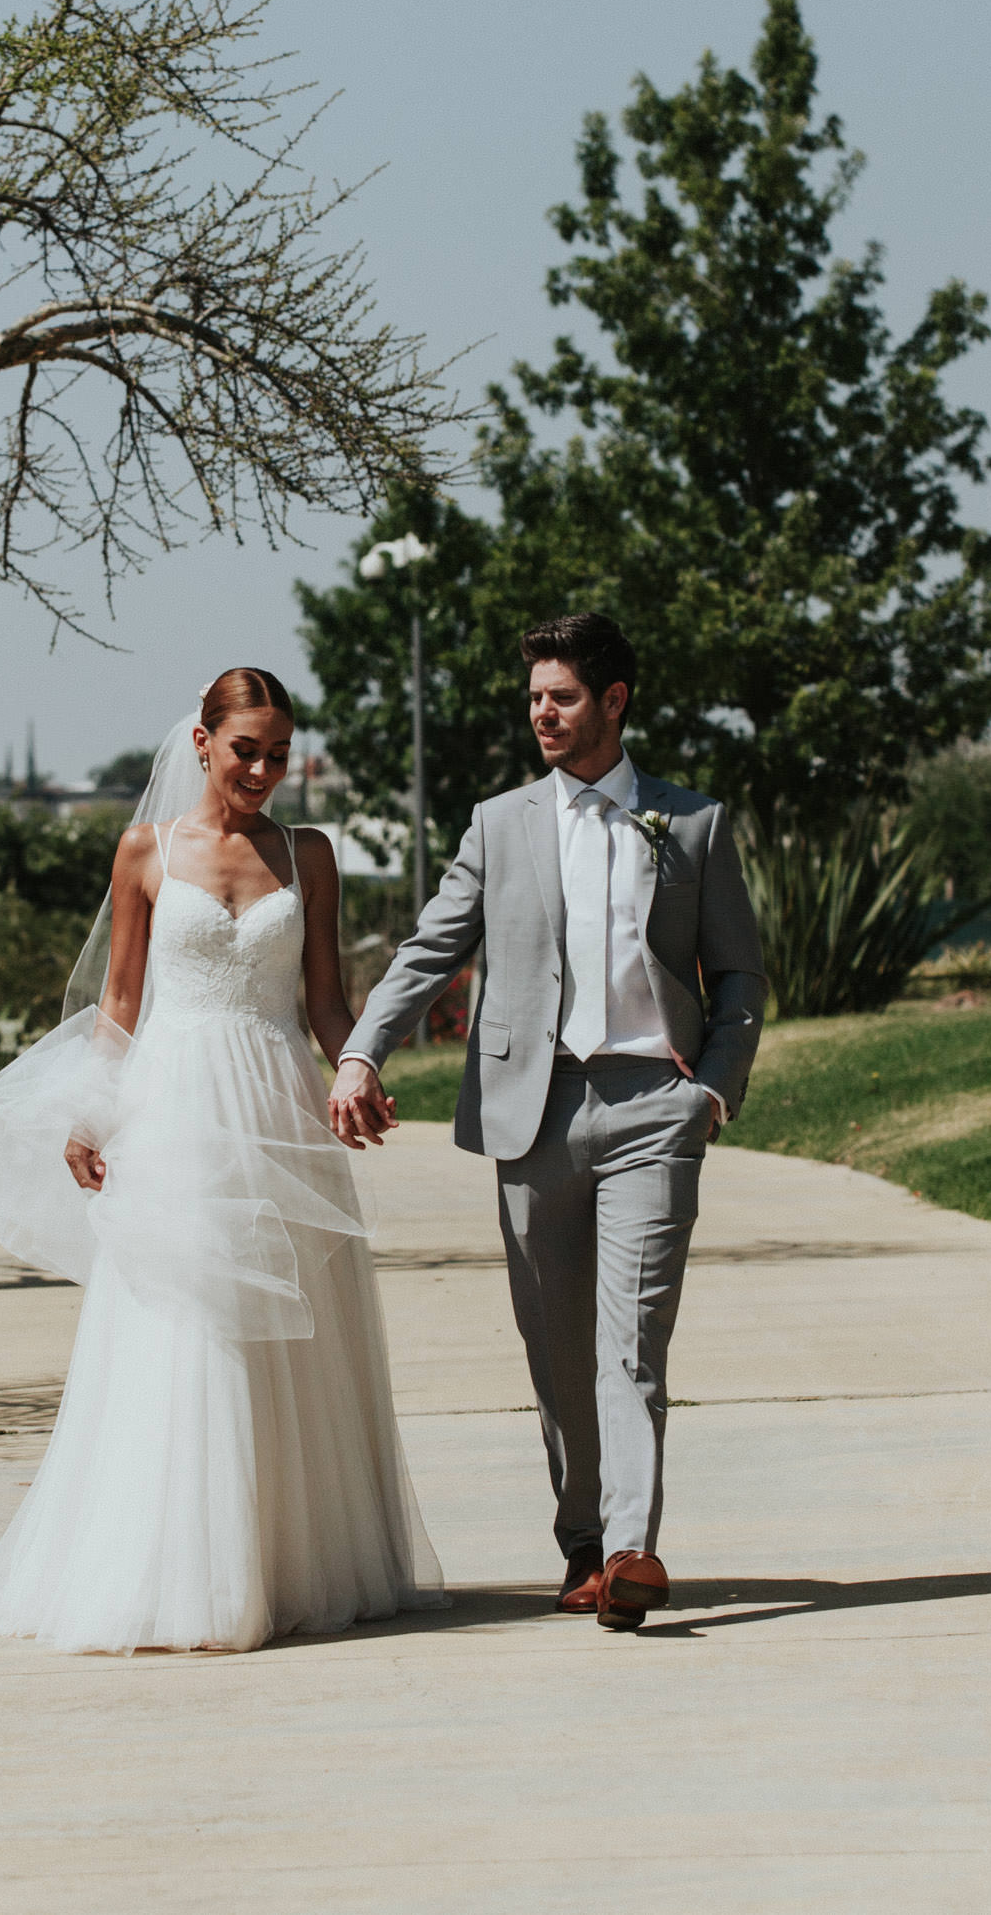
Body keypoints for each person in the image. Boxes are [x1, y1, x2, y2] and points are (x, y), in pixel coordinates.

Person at [0, 667, 443, 1654]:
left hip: (277, 1101)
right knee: (188, 1323)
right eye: (245, 748)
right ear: (202, 742)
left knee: (288, 1333)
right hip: (174, 1105)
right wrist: (92, 1115)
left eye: (279, 753)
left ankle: (287, 1564)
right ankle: (183, 1573)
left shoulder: (310, 855)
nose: (262, 769)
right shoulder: (145, 849)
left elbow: (326, 1000)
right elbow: (121, 1002)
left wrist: (355, 1066)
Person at [329, 613, 765, 1631]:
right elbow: (428, 950)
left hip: (657, 1107)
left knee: (634, 1340)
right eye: (534, 698)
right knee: (558, 1353)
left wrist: (715, 1087)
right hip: (534, 1113)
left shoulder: (691, 823)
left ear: (613, 702)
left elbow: (738, 970)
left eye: (560, 697)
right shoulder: (500, 823)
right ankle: (581, 1537)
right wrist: (361, 1051)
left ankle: (630, 1549)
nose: (541, 713)